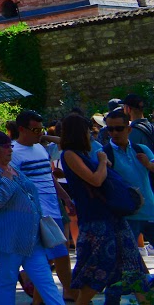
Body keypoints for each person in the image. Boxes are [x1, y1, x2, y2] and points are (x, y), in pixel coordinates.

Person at [58, 112, 150, 305]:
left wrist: (101, 163)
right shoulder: (69, 155)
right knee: (98, 269)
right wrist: (102, 162)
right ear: (78, 133)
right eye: (87, 132)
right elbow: (95, 179)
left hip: (112, 216)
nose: (91, 136)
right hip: (95, 220)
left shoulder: (83, 154)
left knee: (133, 264)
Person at [0, 129, 66, 305]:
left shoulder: (13, 168)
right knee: (6, 282)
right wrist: (7, 181)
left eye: (10, 145)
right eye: (5, 146)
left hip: (32, 237)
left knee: (46, 281)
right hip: (7, 239)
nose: (10, 149)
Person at [14, 109, 74, 292]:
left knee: (50, 254)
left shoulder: (41, 148)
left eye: (41, 130)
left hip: (53, 207)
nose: (40, 134)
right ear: (22, 129)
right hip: (35, 211)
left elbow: (50, 177)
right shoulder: (14, 153)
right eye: (36, 130)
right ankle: (69, 291)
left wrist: (65, 197)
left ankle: (29, 279)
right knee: (60, 252)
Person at [102, 108, 154, 249]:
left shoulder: (141, 149)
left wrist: (148, 165)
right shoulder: (103, 154)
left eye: (119, 129)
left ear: (128, 129)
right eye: (110, 129)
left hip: (150, 211)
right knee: (127, 258)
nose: (114, 133)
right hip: (125, 215)